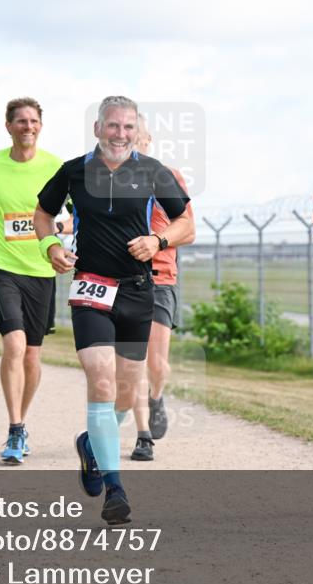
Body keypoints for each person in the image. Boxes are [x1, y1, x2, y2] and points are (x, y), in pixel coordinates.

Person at [34, 95, 194, 524]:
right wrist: (50, 245)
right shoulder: (73, 171)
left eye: (127, 127)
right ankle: (115, 489)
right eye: (112, 126)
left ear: (135, 131)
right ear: (97, 129)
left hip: (138, 291)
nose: (119, 134)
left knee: (126, 391)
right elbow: (43, 213)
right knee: (100, 380)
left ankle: (90, 444)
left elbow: (187, 224)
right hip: (90, 288)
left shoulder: (153, 171)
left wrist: (159, 242)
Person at [0, 97, 63, 464]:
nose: (27, 127)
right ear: (8, 127)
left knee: (33, 356)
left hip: (40, 270)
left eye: (33, 121)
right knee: (15, 346)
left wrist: (59, 235)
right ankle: (15, 428)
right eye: (20, 121)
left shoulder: (55, 166)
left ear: (40, 125)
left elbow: (74, 215)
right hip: (1, 266)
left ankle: (24, 419)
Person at [129, 114, 196, 460]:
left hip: (159, 278)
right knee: (132, 360)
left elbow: (187, 229)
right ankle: (143, 437)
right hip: (122, 278)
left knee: (156, 363)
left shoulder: (168, 177)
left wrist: (157, 241)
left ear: (147, 138)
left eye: (133, 131)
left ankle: (156, 396)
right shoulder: (108, 180)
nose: (127, 138)